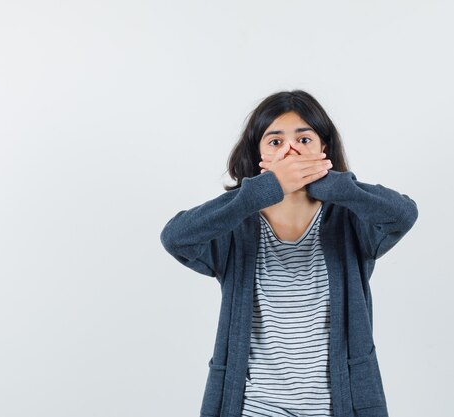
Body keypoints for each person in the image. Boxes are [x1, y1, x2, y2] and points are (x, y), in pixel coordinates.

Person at [160, 90, 418, 417]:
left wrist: (333, 186)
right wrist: (262, 191)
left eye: (304, 139)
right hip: (251, 408)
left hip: (337, 408)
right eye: (275, 141)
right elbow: (175, 237)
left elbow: (403, 215)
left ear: (324, 148)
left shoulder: (351, 220)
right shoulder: (235, 227)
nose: (291, 150)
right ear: (259, 156)